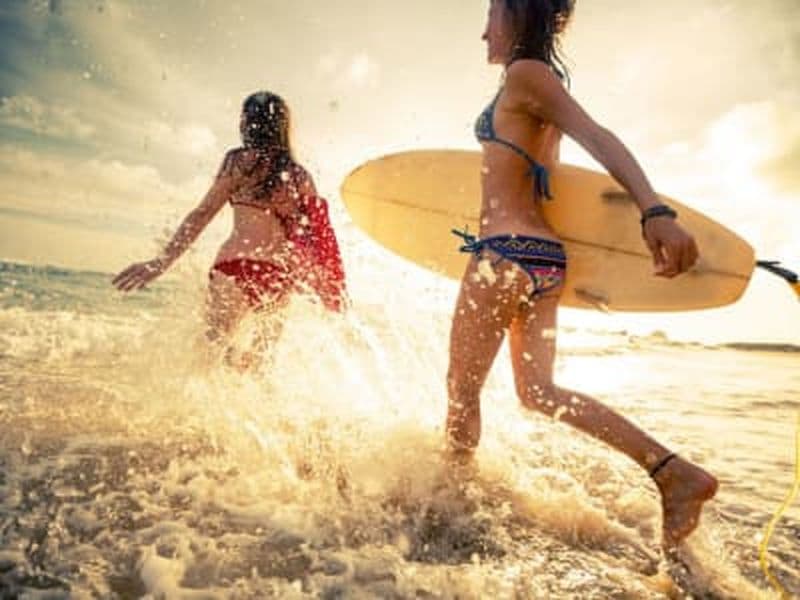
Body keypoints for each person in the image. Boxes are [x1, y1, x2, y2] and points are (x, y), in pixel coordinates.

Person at [445, 0, 717, 548]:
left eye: (493, 14)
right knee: (539, 391)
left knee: (460, 391)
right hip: (545, 260)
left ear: (521, 15)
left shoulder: (526, 74)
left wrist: (654, 211)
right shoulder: (533, 82)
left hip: (503, 253)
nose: (483, 32)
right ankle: (672, 472)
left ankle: (449, 506)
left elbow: (599, 137)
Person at [113, 91, 346, 356]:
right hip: (277, 277)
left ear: (248, 122)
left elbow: (202, 213)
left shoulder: (238, 161)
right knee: (259, 367)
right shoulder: (300, 176)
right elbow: (320, 235)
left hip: (235, 266)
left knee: (210, 358)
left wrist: (161, 262)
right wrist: (333, 290)